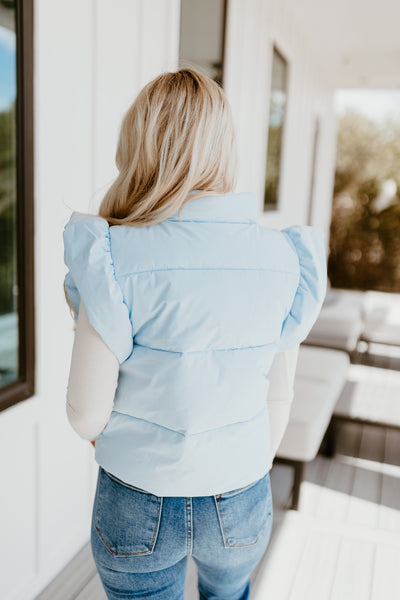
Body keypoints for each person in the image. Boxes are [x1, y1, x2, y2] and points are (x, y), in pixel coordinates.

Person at [63, 68, 327, 600]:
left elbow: (86, 412)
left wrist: (110, 439)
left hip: (138, 497)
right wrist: (247, 461)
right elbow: (280, 393)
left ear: (139, 145)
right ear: (225, 148)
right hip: (241, 497)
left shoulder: (113, 255)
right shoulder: (284, 259)